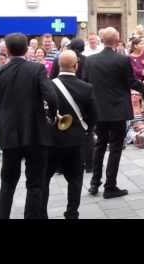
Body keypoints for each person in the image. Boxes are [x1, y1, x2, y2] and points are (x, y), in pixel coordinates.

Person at [0, 32, 58, 219]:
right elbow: (51, 96)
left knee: (8, 183)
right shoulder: (37, 69)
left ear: (7, 51)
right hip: (36, 133)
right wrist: (50, 116)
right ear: (27, 49)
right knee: (35, 184)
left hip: (9, 135)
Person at [84, 27, 144, 199]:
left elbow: (85, 84)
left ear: (102, 40)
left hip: (99, 110)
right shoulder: (122, 60)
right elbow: (131, 82)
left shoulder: (90, 61)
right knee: (116, 148)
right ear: (117, 40)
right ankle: (110, 186)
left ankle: (94, 183)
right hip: (118, 111)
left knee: (100, 146)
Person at [42, 50, 97, 220]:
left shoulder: (48, 85)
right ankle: (72, 213)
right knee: (75, 179)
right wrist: (86, 129)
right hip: (76, 141)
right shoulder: (86, 88)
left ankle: (42, 213)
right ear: (76, 65)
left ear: (58, 65)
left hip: (52, 140)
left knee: (44, 179)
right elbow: (94, 115)